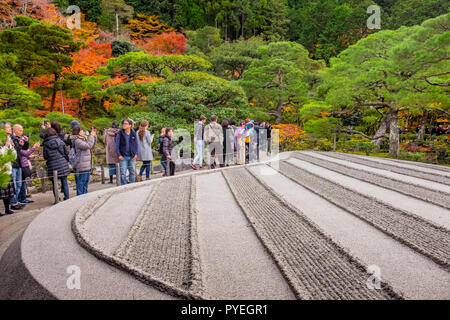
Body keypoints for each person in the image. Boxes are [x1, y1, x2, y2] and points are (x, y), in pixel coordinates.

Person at [43, 128, 71, 202]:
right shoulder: (60, 141)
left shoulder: (45, 144)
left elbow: (45, 156)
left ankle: (57, 199)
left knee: (54, 183)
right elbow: (66, 152)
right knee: (64, 181)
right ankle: (67, 198)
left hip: (52, 165)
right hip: (63, 164)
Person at [71, 126, 97, 196]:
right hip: (81, 164)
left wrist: (94, 136)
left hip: (86, 164)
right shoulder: (77, 140)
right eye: (82, 130)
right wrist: (91, 136)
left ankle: (85, 195)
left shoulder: (83, 139)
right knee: (81, 182)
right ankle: (80, 196)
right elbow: (88, 145)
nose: (83, 131)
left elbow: (92, 145)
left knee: (85, 181)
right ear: (78, 132)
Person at [10, 124, 29, 210]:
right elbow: (15, 152)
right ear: (15, 130)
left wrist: (26, 141)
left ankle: (16, 201)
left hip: (19, 164)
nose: (22, 132)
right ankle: (13, 202)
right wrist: (20, 145)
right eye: (20, 130)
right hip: (13, 164)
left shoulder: (19, 138)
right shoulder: (11, 139)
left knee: (19, 184)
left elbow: (24, 148)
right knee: (14, 184)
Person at [115, 119, 139, 185]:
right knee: (123, 173)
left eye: (126, 124)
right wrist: (119, 155)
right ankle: (124, 186)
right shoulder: (120, 133)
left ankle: (132, 185)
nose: (124, 125)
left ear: (130, 125)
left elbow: (136, 144)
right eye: (123, 123)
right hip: (123, 156)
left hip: (132, 156)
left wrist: (136, 154)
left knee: (132, 172)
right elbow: (116, 145)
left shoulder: (133, 133)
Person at [0, 123, 16, 216]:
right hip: (1, 171)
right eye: (8, 127)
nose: (10, 129)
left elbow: (13, 157)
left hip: (8, 169)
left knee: (8, 193)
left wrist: (12, 148)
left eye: (10, 127)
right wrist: (6, 146)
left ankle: (7, 209)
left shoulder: (9, 139)